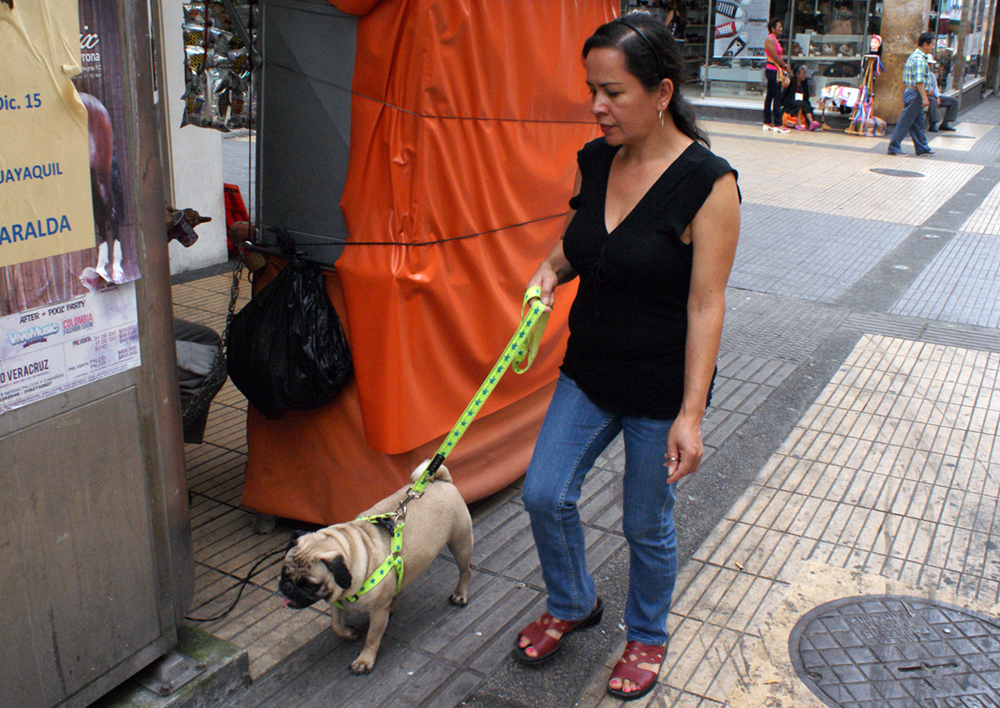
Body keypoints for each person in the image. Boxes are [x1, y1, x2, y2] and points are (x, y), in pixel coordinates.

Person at [512, 12, 741, 702]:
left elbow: (707, 305)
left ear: (662, 91)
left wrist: (691, 415)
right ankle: (575, 601)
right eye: (592, 89)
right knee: (543, 492)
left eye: (612, 92)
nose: (596, 106)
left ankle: (647, 634)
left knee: (645, 520)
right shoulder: (597, 160)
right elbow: (586, 240)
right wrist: (547, 271)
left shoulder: (709, 184)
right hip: (590, 370)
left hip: (660, 385)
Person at [887, 32, 935, 156]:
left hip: (913, 93)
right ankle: (894, 147)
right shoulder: (919, 59)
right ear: (925, 45)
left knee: (918, 123)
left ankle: (922, 147)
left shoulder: (917, 56)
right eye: (932, 45)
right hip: (915, 93)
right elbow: (919, 80)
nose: (933, 47)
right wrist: (924, 97)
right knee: (905, 121)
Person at [763, 18, 791, 133]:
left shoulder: (774, 39)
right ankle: (778, 124)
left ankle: (767, 121)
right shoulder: (770, 39)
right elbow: (775, 56)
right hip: (773, 71)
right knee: (777, 96)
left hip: (774, 70)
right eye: (779, 26)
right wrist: (784, 65)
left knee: (770, 95)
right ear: (773, 28)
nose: (781, 28)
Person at [781, 65, 820, 130]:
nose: (805, 75)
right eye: (803, 73)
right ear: (797, 74)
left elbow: (806, 96)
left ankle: (811, 122)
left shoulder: (804, 83)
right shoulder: (791, 81)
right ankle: (803, 123)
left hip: (801, 101)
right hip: (791, 101)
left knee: (803, 104)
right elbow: (784, 93)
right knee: (800, 104)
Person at [926, 62, 958, 132]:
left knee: (953, 101)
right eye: (928, 64)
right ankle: (932, 124)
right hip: (926, 96)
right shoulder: (921, 75)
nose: (929, 66)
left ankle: (945, 123)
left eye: (930, 64)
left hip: (933, 95)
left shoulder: (931, 75)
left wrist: (938, 97)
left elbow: (935, 88)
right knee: (932, 101)